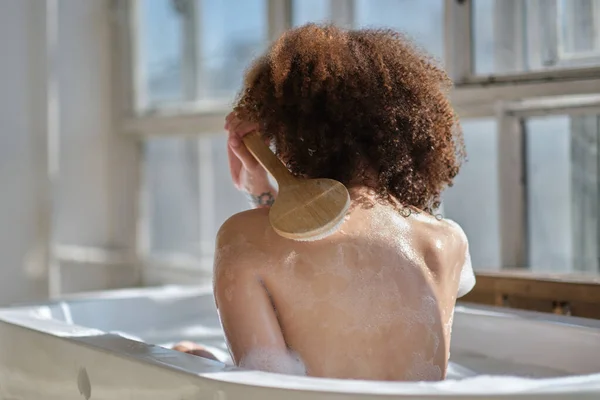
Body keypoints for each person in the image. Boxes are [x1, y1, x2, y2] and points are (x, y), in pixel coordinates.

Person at [181, 23, 475, 381]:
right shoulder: (447, 241)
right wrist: (261, 186)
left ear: (288, 131)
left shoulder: (242, 238)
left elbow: (265, 386)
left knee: (186, 352)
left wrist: (200, 360)